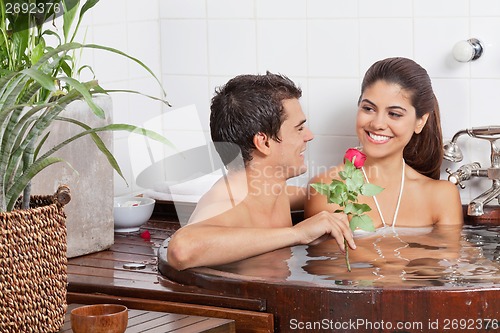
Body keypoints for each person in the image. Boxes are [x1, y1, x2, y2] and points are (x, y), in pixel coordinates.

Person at [166, 72, 356, 271]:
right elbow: (181, 249)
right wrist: (298, 234)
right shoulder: (228, 203)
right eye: (299, 129)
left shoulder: (269, 190)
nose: (309, 135)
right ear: (264, 142)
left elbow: (313, 194)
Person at [305, 57, 463, 230]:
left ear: (420, 122)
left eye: (394, 114)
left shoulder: (442, 196)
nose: (377, 124)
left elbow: (449, 255)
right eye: (368, 109)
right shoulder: (328, 188)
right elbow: (331, 256)